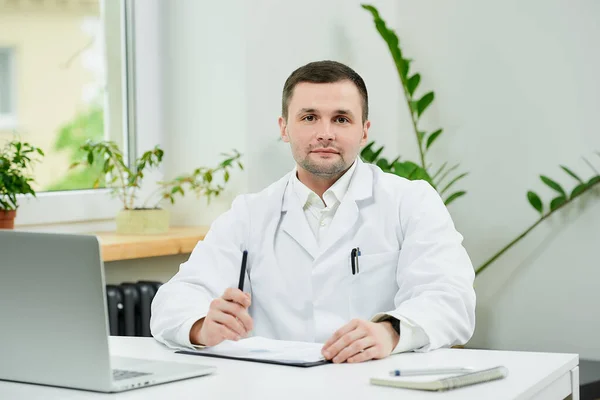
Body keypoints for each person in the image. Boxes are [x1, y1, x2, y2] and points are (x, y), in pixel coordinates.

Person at [150, 60, 476, 364]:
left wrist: (390, 331)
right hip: (277, 387)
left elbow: (451, 298)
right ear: (284, 127)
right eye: (309, 118)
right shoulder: (249, 213)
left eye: (341, 119)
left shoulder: (411, 201)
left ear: (364, 130)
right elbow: (176, 297)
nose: (325, 133)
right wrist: (200, 326)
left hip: (374, 383)